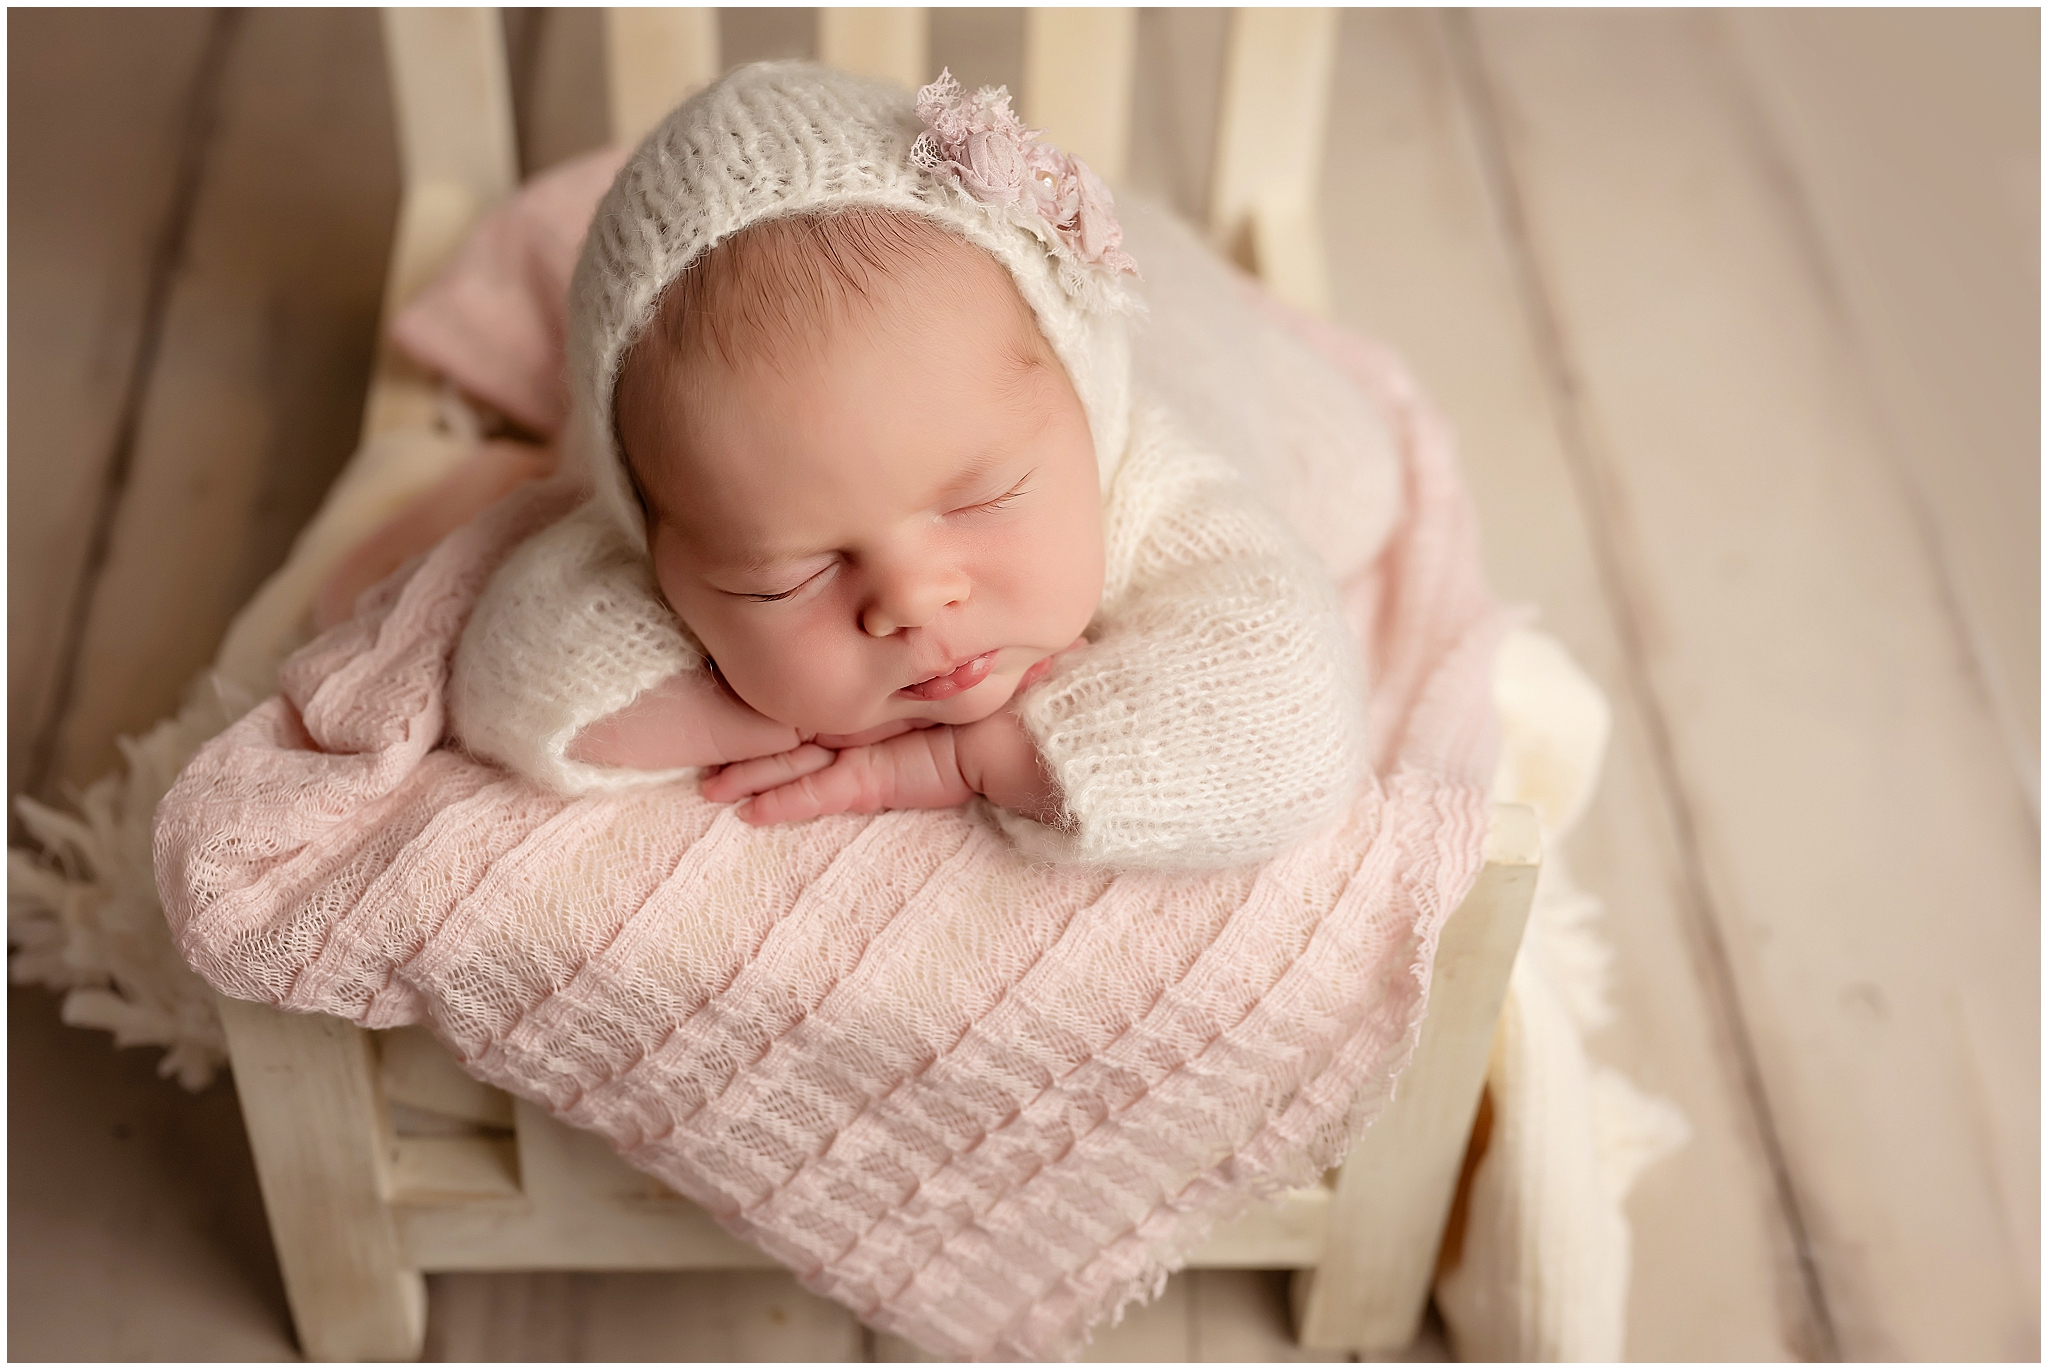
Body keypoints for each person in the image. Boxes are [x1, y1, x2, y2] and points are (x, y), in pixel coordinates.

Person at [446, 61, 1372, 869]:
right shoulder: (699, 499)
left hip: (1197, 331)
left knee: (1356, 476)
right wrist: (763, 718)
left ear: (1080, 425)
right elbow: (510, 680)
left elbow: (1294, 725)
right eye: (789, 578)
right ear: (657, 549)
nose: (913, 601)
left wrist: (973, 758)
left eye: (984, 500)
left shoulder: (1151, 481)